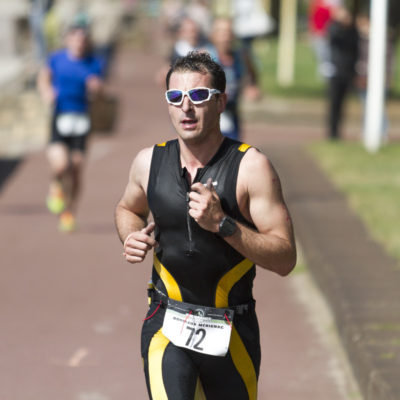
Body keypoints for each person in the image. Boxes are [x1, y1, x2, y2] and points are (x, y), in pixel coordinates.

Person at [115, 51, 296, 399]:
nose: (186, 107)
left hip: (232, 331)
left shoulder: (251, 168)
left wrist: (224, 224)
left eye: (198, 96)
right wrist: (131, 234)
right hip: (166, 323)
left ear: (222, 102)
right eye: (175, 96)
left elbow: (285, 258)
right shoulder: (148, 162)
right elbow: (127, 208)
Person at [38, 22, 104, 232]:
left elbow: (100, 91)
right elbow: (43, 78)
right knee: (60, 165)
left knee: (76, 169)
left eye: (83, 39)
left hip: (81, 119)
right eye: (75, 38)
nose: (79, 42)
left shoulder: (94, 63)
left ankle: (69, 212)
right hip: (60, 116)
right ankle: (56, 185)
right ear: (68, 40)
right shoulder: (57, 59)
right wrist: (47, 92)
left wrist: (97, 89)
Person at [205, 17, 260, 141]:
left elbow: (253, 74)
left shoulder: (240, 55)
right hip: (209, 115)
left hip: (231, 112)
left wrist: (252, 87)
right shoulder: (204, 56)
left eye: (229, 32)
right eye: (221, 32)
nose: (226, 36)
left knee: (233, 154)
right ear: (213, 35)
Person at [326, 5, 359, 140]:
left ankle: (339, 131)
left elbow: (355, 47)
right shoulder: (335, 28)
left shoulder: (353, 31)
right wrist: (339, 23)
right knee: (334, 104)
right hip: (335, 72)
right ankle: (332, 132)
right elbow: (333, 39)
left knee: (344, 104)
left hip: (348, 72)